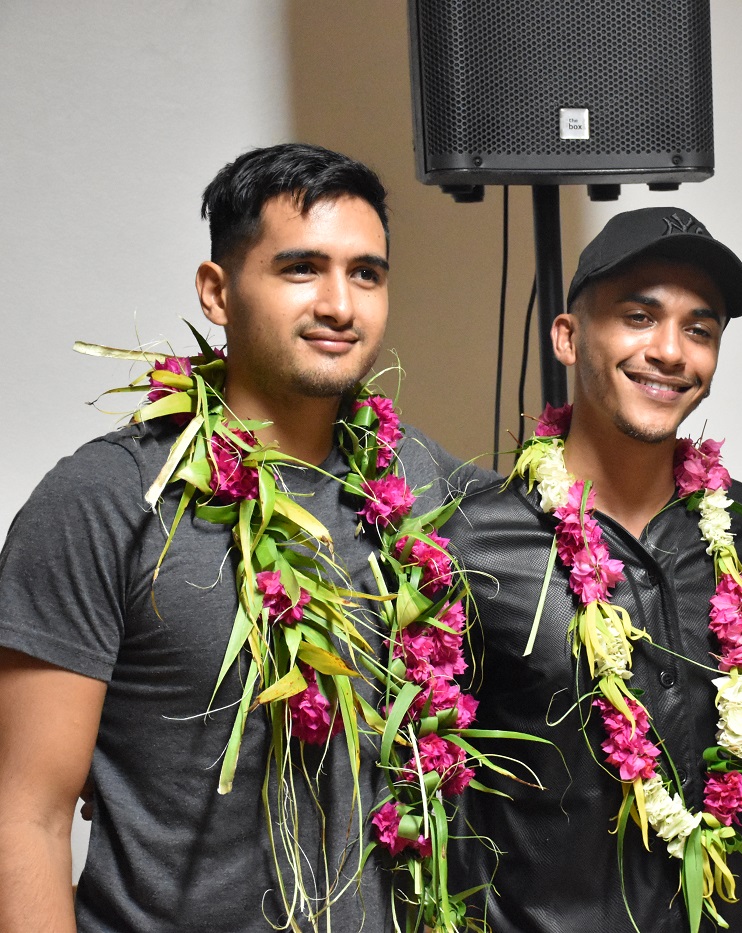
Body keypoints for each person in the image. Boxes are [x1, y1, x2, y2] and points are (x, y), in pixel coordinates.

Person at [0, 143, 487, 931]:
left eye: (367, 273)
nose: (341, 303)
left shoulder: (418, 483)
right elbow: (26, 814)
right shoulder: (107, 498)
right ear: (217, 292)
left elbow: (579, 513)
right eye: (302, 268)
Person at [445, 207, 742, 932]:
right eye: (639, 316)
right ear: (567, 336)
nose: (670, 350)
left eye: (701, 328)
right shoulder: (474, 544)